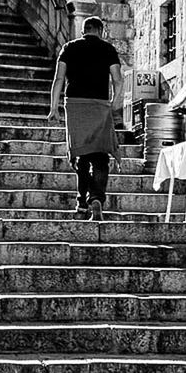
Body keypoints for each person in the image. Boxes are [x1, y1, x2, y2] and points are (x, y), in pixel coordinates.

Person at [47, 16, 123, 221]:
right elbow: (117, 79)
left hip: (75, 106)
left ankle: (82, 203)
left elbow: (59, 78)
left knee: (81, 155)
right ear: (101, 31)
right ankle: (96, 198)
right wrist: (115, 103)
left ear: (84, 30)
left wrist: (54, 108)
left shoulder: (69, 47)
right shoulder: (108, 49)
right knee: (100, 155)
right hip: (99, 106)